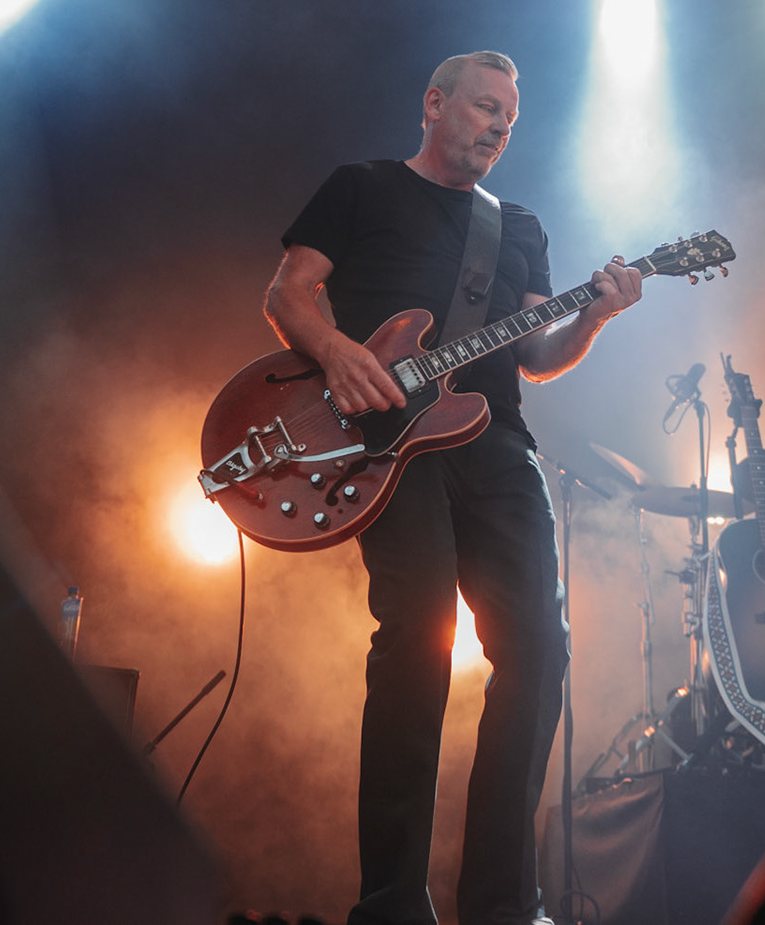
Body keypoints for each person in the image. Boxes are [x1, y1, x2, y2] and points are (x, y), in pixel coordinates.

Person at [263, 51, 643, 925]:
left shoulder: (519, 226)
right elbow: (288, 294)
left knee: (540, 650)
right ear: (435, 104)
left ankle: (504, 904)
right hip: (392, 444)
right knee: (417, 641)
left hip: (497, 443)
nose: (499, 126)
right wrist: (338, 352)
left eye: (510, 117)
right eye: (484, 107)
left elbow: (537, 357)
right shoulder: (360, 187)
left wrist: (594, 315)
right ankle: (392, 903)